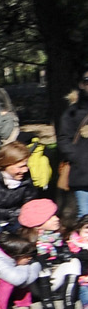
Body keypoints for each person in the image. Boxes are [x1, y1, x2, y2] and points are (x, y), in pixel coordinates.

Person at [18, 197, 80, 309]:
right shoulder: (28, 240)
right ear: (38, 221)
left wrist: (62, 255)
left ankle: (69, 307)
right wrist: (41, 258)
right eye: (51, 217)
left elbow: (65, 254)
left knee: (74, 263)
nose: (57, 219)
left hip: (55, 279)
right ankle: (49, 308)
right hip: (36, 284)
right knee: (40, 265)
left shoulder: (56, 237)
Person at [0, 142, 44, 233]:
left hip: (16, 217)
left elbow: (29, 202)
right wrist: (10, 213)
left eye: (26, 165)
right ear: (6, 164)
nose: (25, 170)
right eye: (20, 167)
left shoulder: (26, 176)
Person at [0, 229, 42, 309]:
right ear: (14, 255)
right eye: (26, 256)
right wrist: (25, 267)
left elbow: (25, 278)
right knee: (7, 281)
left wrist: (25, 267)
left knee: (23, 273)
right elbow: (17, 279)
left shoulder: (10, 254)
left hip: (13, 276)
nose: (30, 258)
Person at [58, 70, 88, 217]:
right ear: (82, 84)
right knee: (85, 215)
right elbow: (64, 139)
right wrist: (78, 157)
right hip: (83, 174)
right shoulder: (72, 113)